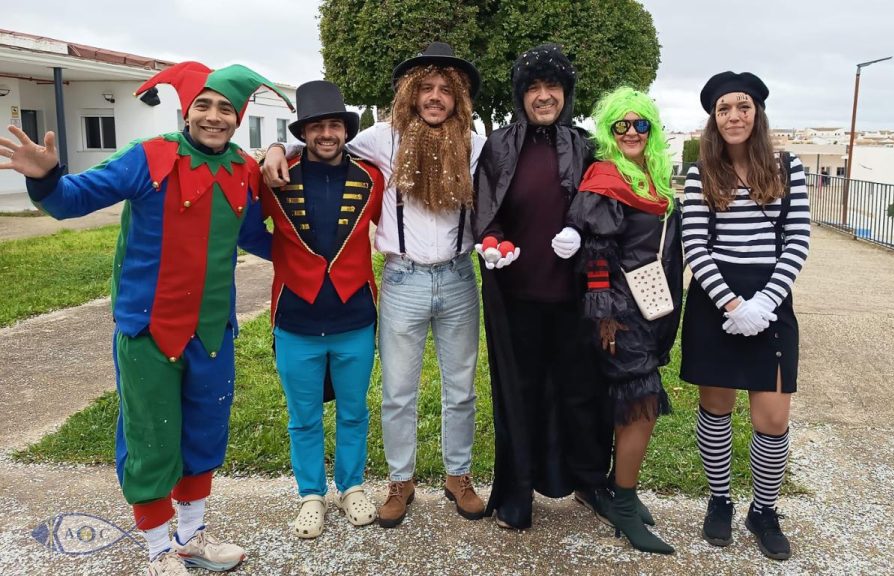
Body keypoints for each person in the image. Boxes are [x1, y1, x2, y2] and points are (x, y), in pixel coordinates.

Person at [0, 62, 292, 575]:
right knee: (150, 436)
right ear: (187, 111)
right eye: (203, 105)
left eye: (226, 109)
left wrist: (312, 252)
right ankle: (158, 548)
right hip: (149, 330)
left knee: (205, 431)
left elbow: (251, 235)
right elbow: (73, 200)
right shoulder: (151, 155)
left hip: (213, 330)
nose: (214, 116)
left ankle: (190, 536)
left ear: (239, 116)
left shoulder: (244, 170)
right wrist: (45, 177)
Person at [262, 42, 487, 528]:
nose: (435, 97)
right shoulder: (383, 138)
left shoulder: (475, 143)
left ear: (458, 97)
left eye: (445, 90)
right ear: (411, 93)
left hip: (458, 277)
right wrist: (279, 146)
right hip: (403, 277)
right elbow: (325, 146)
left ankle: (458, 475)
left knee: (461, 387)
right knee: (398, 390)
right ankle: (400, 481)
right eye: (426, 88)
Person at [472, 43, 614, 530]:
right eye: (533, 87)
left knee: (582, 392)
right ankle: (517, 492)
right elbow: (487, 209)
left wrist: (583, 233)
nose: (543, 95)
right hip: (516, 296)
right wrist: (492, 240)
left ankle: (590, 481)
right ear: (521, 96)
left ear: (566, 92)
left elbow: (605, 208)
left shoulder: (586, 147)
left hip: (576, 296)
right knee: (519, 393)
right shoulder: (498, 146)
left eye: (552, 86)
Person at [679, 71, 810, 561]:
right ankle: (720, 500)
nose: (733, 116)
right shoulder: (702, 172)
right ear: (714, 118)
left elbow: (797, 239)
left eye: (743, 106)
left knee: (772, 418)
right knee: (716, 409)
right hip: (716, 300)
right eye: (724, 109)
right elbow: (695, 243)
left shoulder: (787, 167)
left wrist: (765, 303)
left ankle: (764, 510)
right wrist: (732, 304)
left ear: (757, 113)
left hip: (770, 299)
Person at [259, 80, 384, 537]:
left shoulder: (371, 178)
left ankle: (352, 487)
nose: (326, 134)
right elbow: (247, 224)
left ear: (346, 131)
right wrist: (280, 255)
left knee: (354, 411)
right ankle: (310, 494)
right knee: (303, 417)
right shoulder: (276, 174)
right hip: (296, 318)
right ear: (303, 132)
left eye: (334, 125)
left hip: (355, 316)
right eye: (316, 126)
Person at [566, 86, 682, 554]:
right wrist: (605, 317)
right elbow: (596, 254)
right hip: (619, 313)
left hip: (651, 307)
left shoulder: (653, 177)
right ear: (608, 130)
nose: (631, 132)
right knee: (642, 403)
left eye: (641, 124)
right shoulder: (606, 177)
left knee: (634, 401)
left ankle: (617, 491)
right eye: (621, 124)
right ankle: (626, 506)